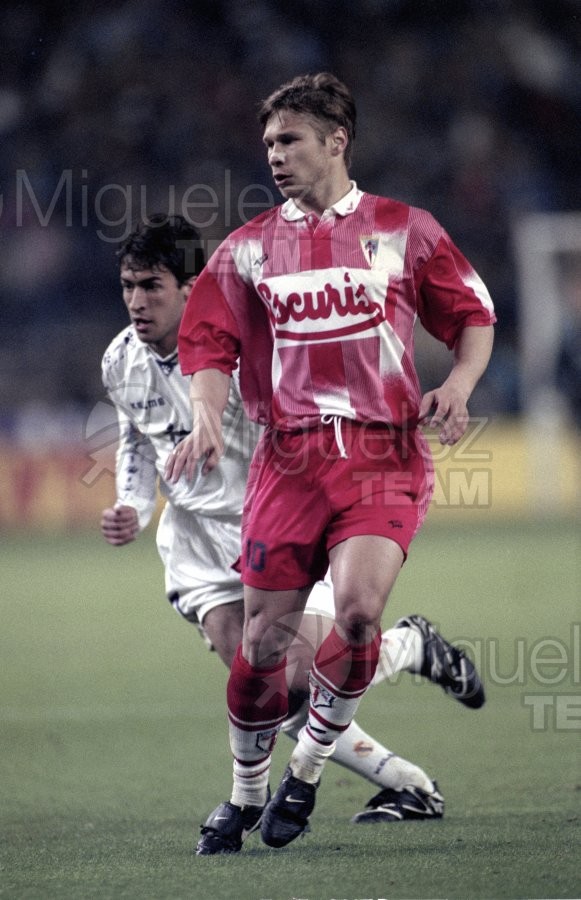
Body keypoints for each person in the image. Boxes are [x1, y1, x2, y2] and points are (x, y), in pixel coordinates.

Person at [168, 71, 495, 853]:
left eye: (289, 140)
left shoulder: (403, 229)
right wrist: (209, 419)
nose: (274, 155)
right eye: (268, 143)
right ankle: (246, 798)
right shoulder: (247, 250)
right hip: (288, 464)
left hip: (384, 456)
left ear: (336, 141)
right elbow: (206, 343)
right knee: (263, 653)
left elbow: (471, 315)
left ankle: (304, 776)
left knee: (354, 614)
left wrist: (458, 382)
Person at [101, 212, 484, 855]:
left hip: (281, 520)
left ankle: (408, 656)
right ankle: (408, 781)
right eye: (128, 286)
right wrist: (131, 506)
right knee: (270, 690)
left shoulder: (262, 346)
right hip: (199, 539)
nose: (137, 302)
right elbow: (135, 441)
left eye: (152, 286)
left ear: (194, 287)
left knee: (303, 676)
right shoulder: (120, 359)